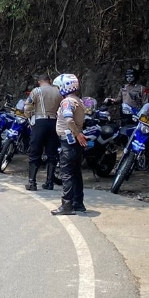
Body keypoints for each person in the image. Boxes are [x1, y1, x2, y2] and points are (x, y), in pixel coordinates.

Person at [51, 73, 88, 215]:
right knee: (76, 173)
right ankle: (78, 203)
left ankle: (66, 205)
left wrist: (77, 133)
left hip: (69, 141)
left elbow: (68, 119)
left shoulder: (67, 102)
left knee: (66, 174)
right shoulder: (78, 100)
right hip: (74, 143)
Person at [23, 73, 62, 191]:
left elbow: (27, 108)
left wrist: (29, 116)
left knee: (35, 152)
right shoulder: (58, 92)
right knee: (52, 153)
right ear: (49, 81)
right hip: (54, 122)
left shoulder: (36, 91)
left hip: (40, 122)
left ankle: (32, 182)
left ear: (39, 82)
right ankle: (49, 182)